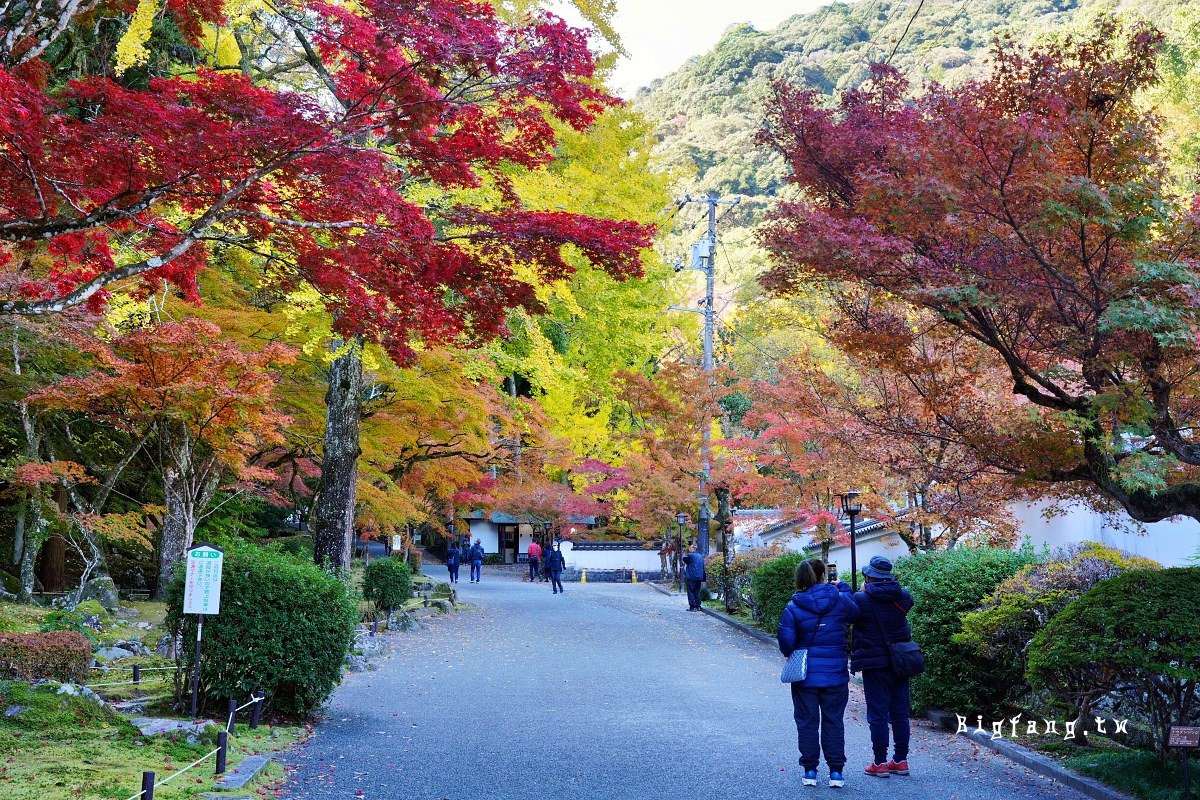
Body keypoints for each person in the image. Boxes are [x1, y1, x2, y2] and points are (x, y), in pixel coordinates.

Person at [778, 558, 860, 789]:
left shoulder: (793, 607)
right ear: (824, 575)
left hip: (805, 676)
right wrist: (842, 587)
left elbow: (786, 643)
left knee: (807, 722)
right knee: (834, 721)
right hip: (835, 674)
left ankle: (810, 770)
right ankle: (836, 772)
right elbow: (856, 613)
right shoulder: (840, 600)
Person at [851, 555, 915, 779]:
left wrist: (863, 591)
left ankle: (879, 762)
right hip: (900, 662)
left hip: (874, 663)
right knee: (900, 713)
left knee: (877, 714)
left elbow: (851, 616)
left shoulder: (860, 599)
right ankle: (900, 760)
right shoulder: (903, 597)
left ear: (869, 576)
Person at [681, 543, 706, 611]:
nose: (689, 549)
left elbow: (684, 559)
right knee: (697, 591)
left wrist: (684, 555)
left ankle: (692, 607)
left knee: (690, 591)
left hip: (692, 576)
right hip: (699, 576)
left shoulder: (690, 555)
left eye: (690, 548)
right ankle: (698, 606)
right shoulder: (700, 556)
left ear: (694, 549)